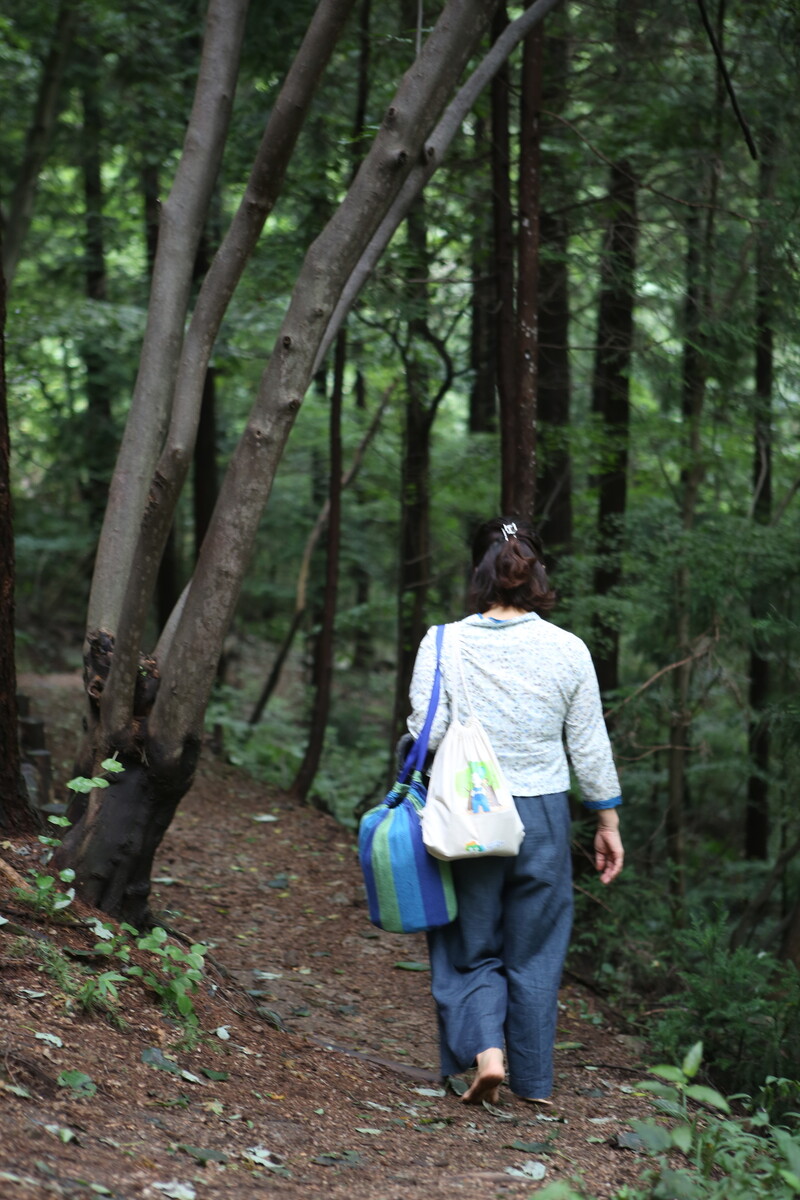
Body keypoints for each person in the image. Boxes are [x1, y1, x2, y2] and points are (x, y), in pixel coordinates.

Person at [407, 516, 624, 1106]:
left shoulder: (443, 641)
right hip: (545, 816)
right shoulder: (568, 649)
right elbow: (589, 745)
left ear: (478, 571)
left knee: (468, 943)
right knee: (537, 950)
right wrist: (606, 820)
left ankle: (487, 1053)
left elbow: (426, 739)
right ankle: (535, 1083)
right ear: (537, 571)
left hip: (469, 812)